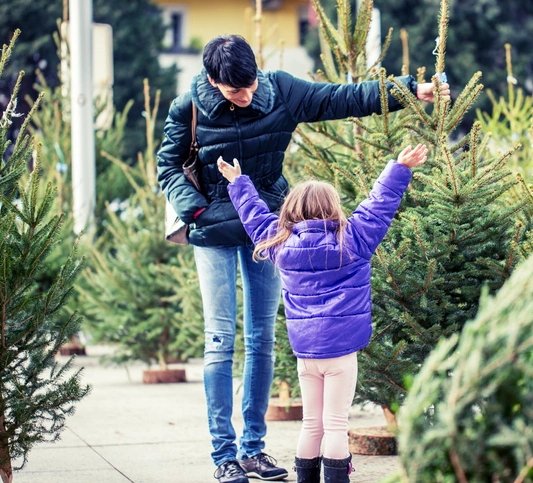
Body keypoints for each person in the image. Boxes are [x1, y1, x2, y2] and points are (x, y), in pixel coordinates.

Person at [157, 33, 449, 483]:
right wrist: (197, 210)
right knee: (220, 339)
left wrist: (410, 90)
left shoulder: (279, 91)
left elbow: (342, 98)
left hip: (272, 228)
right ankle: (224, 454)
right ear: (213, 81)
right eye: (237, 90)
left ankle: (253, 449)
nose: (249, 94)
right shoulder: (188, 108)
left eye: (251, 83)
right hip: (213, 229)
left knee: (260, 338)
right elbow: (168, 166)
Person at [217, 144, 429, 483]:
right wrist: (400, 168)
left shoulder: (280, 245)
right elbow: (379, 206)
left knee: (311, 424)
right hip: (341, 354)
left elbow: (254, 216)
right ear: (333, 209)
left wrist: (239, 181)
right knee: (335, 425)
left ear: (291, 211)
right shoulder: (354, 239)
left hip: (306, 354)